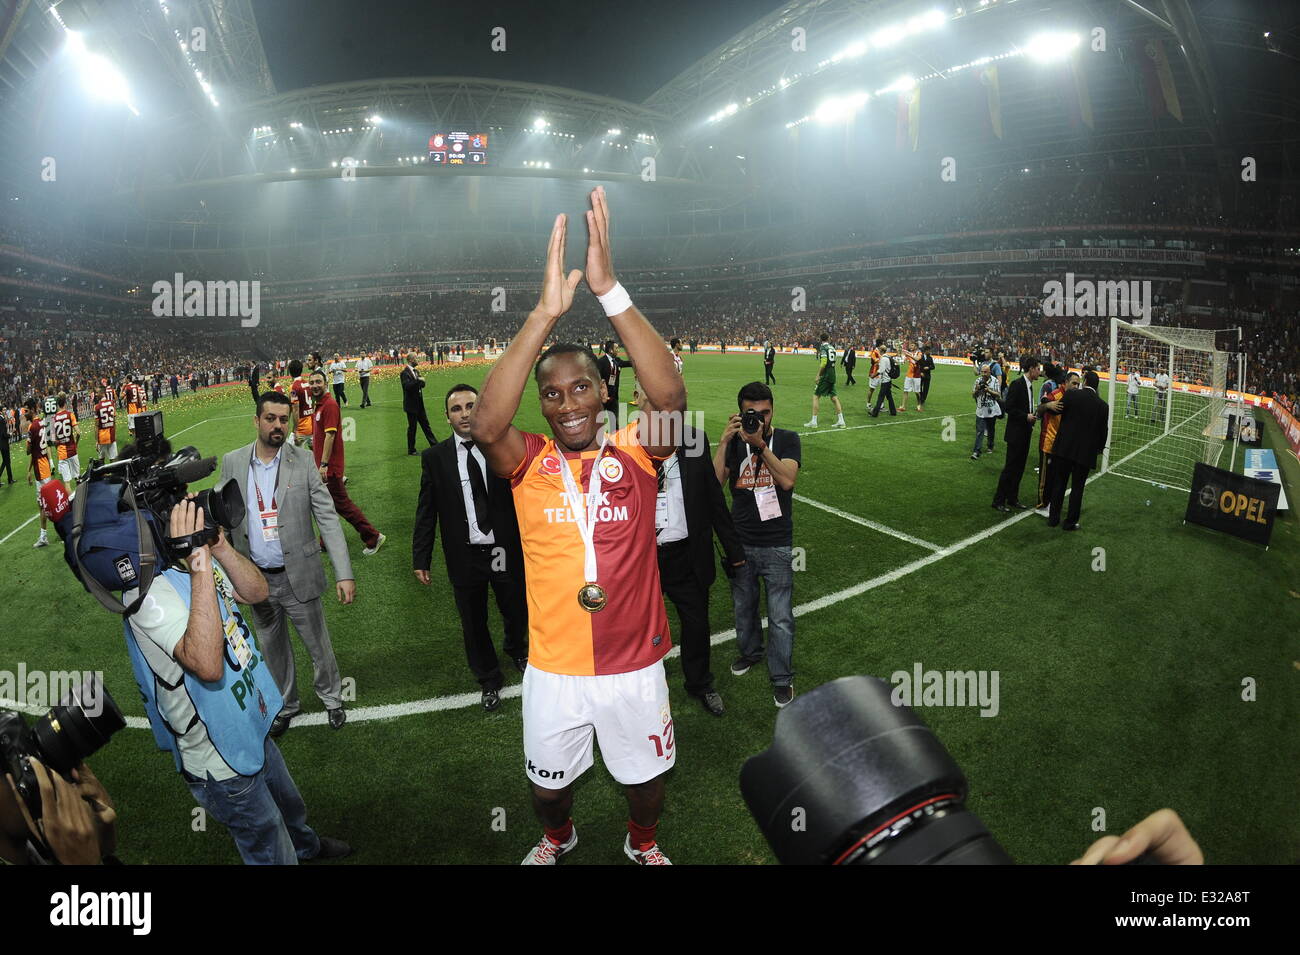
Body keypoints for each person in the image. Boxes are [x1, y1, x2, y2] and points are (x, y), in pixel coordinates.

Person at [471, 188, 685, 865]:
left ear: (604, 391)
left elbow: (672, 396)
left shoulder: (636, 450)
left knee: (647, 780)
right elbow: (485, 426)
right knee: (546, 788)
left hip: (634, 660)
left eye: (582, 388)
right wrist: (542, 314)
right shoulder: (527, 461)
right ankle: (558, 836)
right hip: (555, 664)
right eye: (554, 392)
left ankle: (641, 840)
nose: (568, 403)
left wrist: (610, 289)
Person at [113, 494, 351, 865]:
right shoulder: (145, 596)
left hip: (245, 721)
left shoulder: (187, 564)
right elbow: (208, 665)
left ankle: (307, 847)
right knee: (269, 846)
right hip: (217, 753)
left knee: (289, 806)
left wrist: (218, 546)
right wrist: (197, 558)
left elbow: (257, 592)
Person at [221, 391, 355, 737]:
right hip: (257, 580)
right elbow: (223, 522)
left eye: (284, 419)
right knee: (271, 647)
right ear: (257, 421)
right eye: (271, 418)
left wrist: (344, 572)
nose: (278, 425)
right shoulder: (232, 462)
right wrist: (229, 577)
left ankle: (332, 698)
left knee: (317, 643)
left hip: (299, 575)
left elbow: (326, 516)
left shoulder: (304, 459)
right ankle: (287, 704)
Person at [413, 384, 528, 711]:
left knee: (515, 608)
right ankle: (489, 679)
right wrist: (421, 556)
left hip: (503, 549)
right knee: (472, 621)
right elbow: (427, 510)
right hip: (465, 554)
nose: (464, 413)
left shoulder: (503, 447)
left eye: (470, 406)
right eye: (456, 409)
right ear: (447, 417)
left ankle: (517, 649)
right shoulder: (435, 458)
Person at [642, 393, 745, 717]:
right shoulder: (627, 445)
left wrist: (734, 551)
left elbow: (714, 499)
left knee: (697, 625)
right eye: (653, 408)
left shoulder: (693, 441)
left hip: (687, 555)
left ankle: (700, 683)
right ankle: (641, 690)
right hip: (643, 559)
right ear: (641, 409)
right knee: (641, 629)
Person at [714, 381, 801, 708]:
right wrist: (725, 441)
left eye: (765, 413)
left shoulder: (787, 439)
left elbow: (788, 480)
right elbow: (713, 485)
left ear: (772, 410)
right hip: (740, 541)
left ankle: (781, 678)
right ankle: (750, 653)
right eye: (753, 414)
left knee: (780, 616)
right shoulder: (734, 443)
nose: (760, 420)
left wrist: (761, 446)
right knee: (743, 607)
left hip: (777, 542)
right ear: (741, 413)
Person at [309, 371, 386, 555]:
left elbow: (330, 435)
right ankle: (325, 541)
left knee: (342, 506)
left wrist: (324, 464)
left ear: (326, 383)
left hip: (329, 469)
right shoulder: (319, 405)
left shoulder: (329, 405)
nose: (315, 385)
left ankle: (373, 537)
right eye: (311, 382)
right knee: (326, 506)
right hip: (325, 467)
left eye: (318, 381)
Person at [1047, 370, 1109, 531]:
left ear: (1085, 381)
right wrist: (1098, 449)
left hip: (1064, 448)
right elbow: (1103, 432)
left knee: (1059, 483)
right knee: (1077, 488)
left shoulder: (1072, 394)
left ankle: (1053, 519)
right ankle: (1069, 523)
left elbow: (1056, 410)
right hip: (1085, 453)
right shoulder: (1103, 406)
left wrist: (1045, 403)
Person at [992, 356, 1043, 512]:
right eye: (1038, 368)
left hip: (1025, 432)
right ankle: (998, 500)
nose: (1039, 372)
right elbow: (1009, 407)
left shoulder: (1030, 386)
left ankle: (1012, 498)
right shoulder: (1017, 384)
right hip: (1016, 434)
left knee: (1019, 468)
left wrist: (1031, 417)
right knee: (1010, 468)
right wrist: (1025, 416)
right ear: (1032, 368)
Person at [1035, 370, 1079, 515]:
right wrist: (1047, 405)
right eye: (1073, 383)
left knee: (1057, 476)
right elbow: (1039, 410)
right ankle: (1042, 504)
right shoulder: (1054, 395)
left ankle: (1051, 502)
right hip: (1049, 441)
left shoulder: (1074, 399)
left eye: (1078, 384)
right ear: (1065, 383)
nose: (1076, 386)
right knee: (1046, 477)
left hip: (1063, 445)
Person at [24, 398, 54, 549]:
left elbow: (28, 450)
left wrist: (27, 439)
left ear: (33, 409)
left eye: (26, 411)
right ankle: (44, 536)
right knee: (43, 503)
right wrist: (29, 470)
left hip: (41, 471)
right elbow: (35, 451)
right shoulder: (41, 422)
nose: (24, 413)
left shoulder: (32, 427)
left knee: (46, 504)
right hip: (43, 467)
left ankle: (45, 536)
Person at [805, 332, 846, 429]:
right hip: (832, 374)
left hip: (826, 375)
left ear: (820, 339)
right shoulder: (832, 347)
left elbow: (823, 363)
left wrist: (818, 375)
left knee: (816, 396)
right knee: (834, 398)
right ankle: (841, 421)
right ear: (828, 338)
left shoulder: (823, 348)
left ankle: (814, 422)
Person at [401, 353, 438, 454]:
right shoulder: (404, 373)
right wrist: (418, 381)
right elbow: (407, 386)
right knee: (412, 428)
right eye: (416, 358)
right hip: (411, 406)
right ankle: (411, 449)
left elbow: (423, 384)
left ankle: (435, 445)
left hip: (419, 404)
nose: (418, 360)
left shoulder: (416, 371)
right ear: (411, 360)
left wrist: (419, 381)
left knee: (426, 425)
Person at [596, 339, 633, 428]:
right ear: (610, 350)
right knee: (598, 422)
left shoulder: (617, 360)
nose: (618, 350)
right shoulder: (601, 362)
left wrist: (638, 361)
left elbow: (627, 363)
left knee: (614, 422)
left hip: (613, 398)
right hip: (602, 398)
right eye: (616, 348)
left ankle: (615, 439)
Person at [50, 394, 80, 491]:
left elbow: (53, 440)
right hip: (72, 450)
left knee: (66, 482)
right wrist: (76, 444)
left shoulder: (53, 419)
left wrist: (58, 446)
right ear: (65, 404)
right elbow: (78, 433)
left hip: (62, 453)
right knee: (78, 478)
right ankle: (82, 501)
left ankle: (71, 503)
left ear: (57, 405)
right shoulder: (70, 414)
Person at [971, 363, 1000, 460]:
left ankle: (990, 446)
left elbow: (998, 395)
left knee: (991, 430)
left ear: (989, 372)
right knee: (980, 431)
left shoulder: (995, 381)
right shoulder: (978, 381)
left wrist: (989, 390)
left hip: (991, 411)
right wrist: (977, 390)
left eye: (985, 372)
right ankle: (976, 451)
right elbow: (973, 395)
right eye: (982, 372)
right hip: (980, 411)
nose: (983, 374)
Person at [288, 358, 314, 449]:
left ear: (290, 372)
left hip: (302, 428)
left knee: (290, 454)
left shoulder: (293, 387)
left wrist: (295, 430)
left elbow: (295, 409)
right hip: (312, 425)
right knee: (316, 454)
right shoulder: (308, 384)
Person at [868, 347, 896, 417]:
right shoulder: (887, 357)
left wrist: (873, 375)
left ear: (881, 351)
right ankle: (893, 412)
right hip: (888, 380)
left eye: (879, 350)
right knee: (889, 397)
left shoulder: (883, 359)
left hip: (885, 380)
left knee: (880, 397)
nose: (878, 351)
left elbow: (881, 370)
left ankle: (875, 413)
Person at [899, 343, 923, 412]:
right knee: (905, 390)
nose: (910, 346)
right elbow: (903, 361)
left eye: (912, 345)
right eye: (910, 345)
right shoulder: (909, 354)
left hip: (916, 376)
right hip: (909, 375)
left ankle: (919, 405)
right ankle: (903, 406)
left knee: (917, 392)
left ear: (916, 346)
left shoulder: (919, 353)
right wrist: (902, 360)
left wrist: (908, 354)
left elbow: (917, 359)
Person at [917, 344, 935, 412]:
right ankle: (921, 398)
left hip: (927, 375)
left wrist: (928, 367)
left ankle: (923, 399)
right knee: (919, 387)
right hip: (921, 375)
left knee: (926, 388)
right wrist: (920, 372)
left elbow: (933, 366)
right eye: (929, 350)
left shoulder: (930, 358)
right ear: (925, 351)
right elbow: (918, 365)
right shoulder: (920, 357)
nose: (930, 351)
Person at [865, 339, 883, 407]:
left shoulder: (881, 352)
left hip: (881, 373)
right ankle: (868, 403)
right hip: (874, 373)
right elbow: (876, 361)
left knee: (882, 389)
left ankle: (881, 405)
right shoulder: (874, 352)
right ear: (880, 344)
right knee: (872, 389)